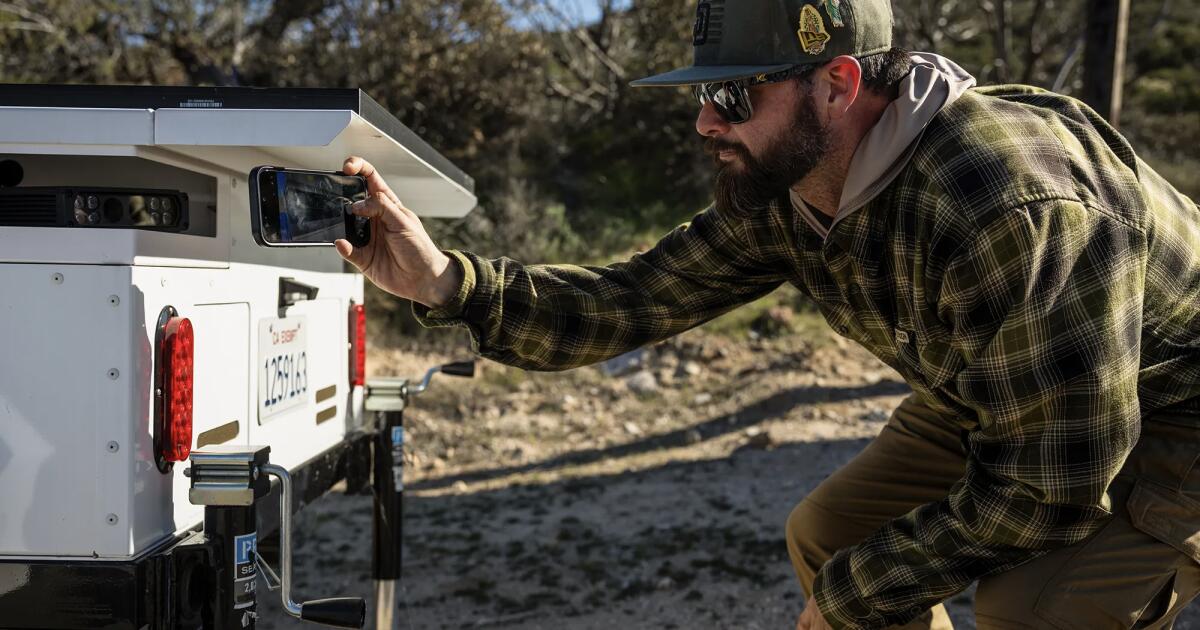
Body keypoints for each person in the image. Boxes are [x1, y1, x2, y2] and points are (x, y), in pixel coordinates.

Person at [334, 0, 1200, 627]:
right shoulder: (791, 192)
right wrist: (446, 281)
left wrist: (855, 598)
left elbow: (1048, 490)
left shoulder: (1005, 208)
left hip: (1175, 406)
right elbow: (629, 300)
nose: (708, 122)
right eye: (702, 96)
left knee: (1033, 608)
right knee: (830, 536)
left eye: (736, 97)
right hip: (1016, 391)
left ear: (838, 82)